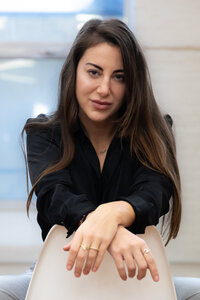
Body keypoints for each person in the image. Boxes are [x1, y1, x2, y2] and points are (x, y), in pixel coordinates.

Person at [0, 18, 199, 300]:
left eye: (119, 77)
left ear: (132, 84)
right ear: (74, 72)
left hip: (134, 276)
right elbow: (55, 197)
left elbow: (155, 193)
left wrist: (113, 212)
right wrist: (111, 229)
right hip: (60, 273)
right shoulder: (44, 132)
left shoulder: (154, 130)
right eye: (94, 72)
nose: (105, 89)